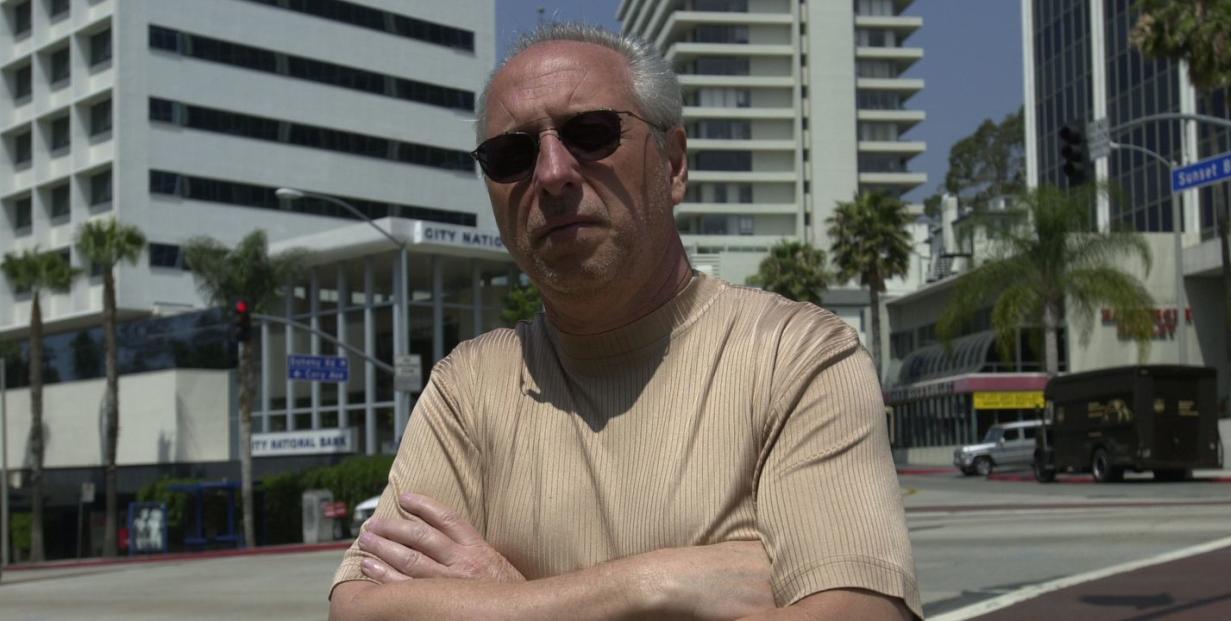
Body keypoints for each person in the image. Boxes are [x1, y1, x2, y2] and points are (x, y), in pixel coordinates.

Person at [329, 23, 921, 621]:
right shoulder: (467, 386)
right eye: (512, 155)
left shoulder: (797, 356)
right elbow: (360, 610)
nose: (552, 172)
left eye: (591, 133)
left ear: (674, 164)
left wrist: (497, 597)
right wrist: (652, 585)